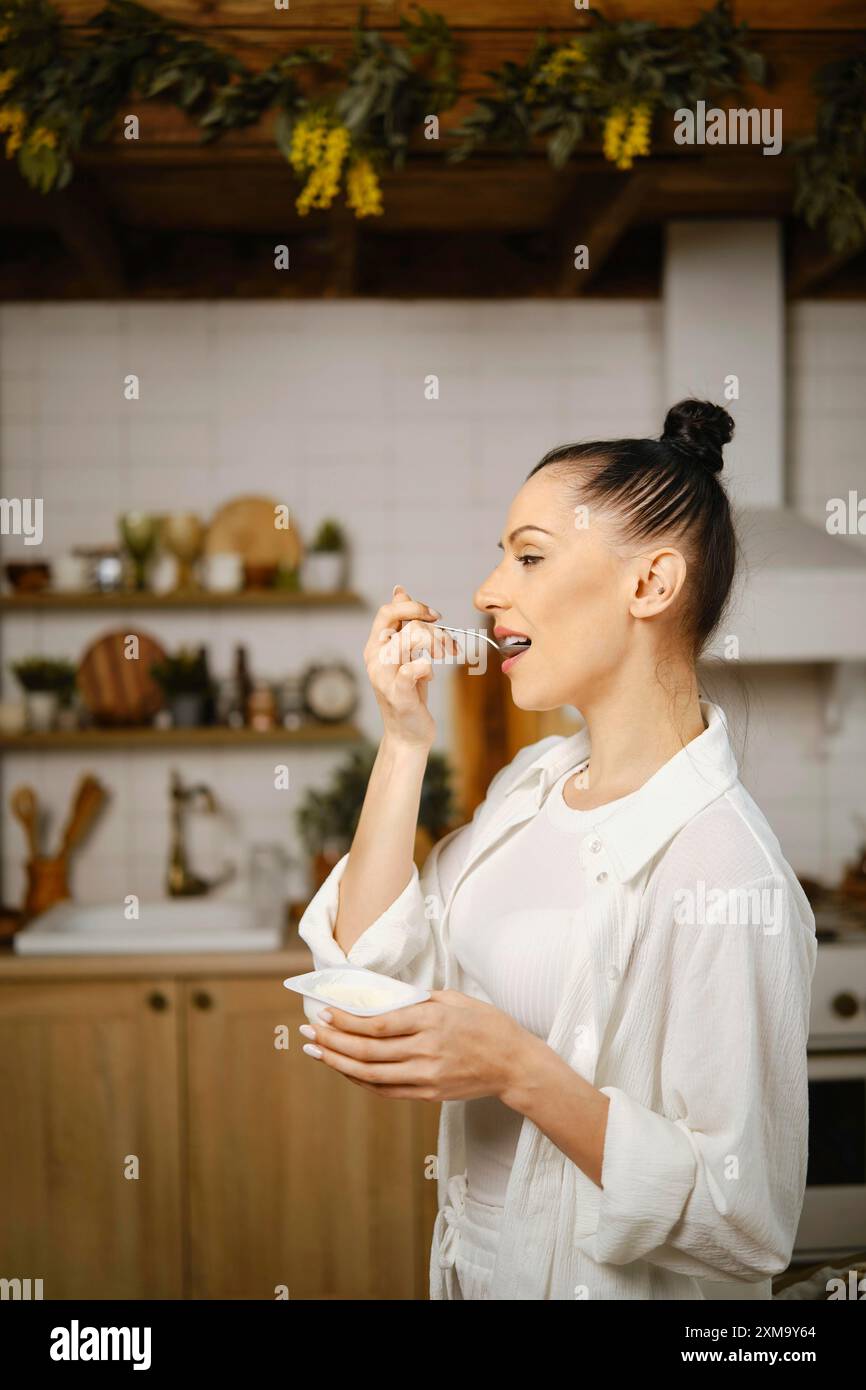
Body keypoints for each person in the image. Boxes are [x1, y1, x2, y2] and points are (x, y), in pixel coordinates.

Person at [297, 399, 817, 1300]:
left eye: (529, 556)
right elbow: (382, 961)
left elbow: (748, 1227)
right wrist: (403, 737)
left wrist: (517, 1068)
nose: (489, 591)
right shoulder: (530, 788)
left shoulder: (728, 871)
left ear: (650, 586)